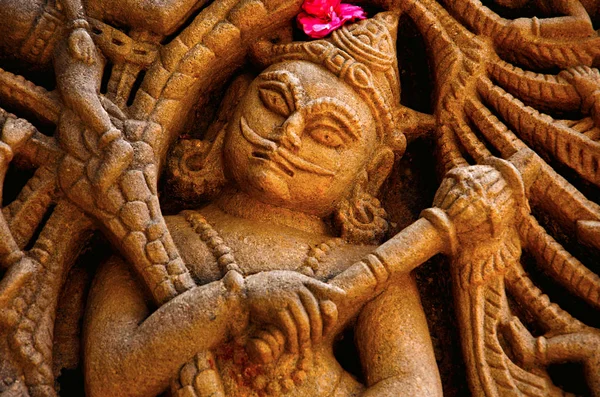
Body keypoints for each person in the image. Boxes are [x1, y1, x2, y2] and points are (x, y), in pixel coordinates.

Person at [83, 13, 444, 397]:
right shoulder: (153, 235)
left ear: (372, 170)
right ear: (233, 102)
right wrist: (234, 306)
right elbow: (109, 378)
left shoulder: (369, 270)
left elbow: (413, 387)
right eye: (274, 102)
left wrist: (312, 378)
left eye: (325, 133)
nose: (288, 134)